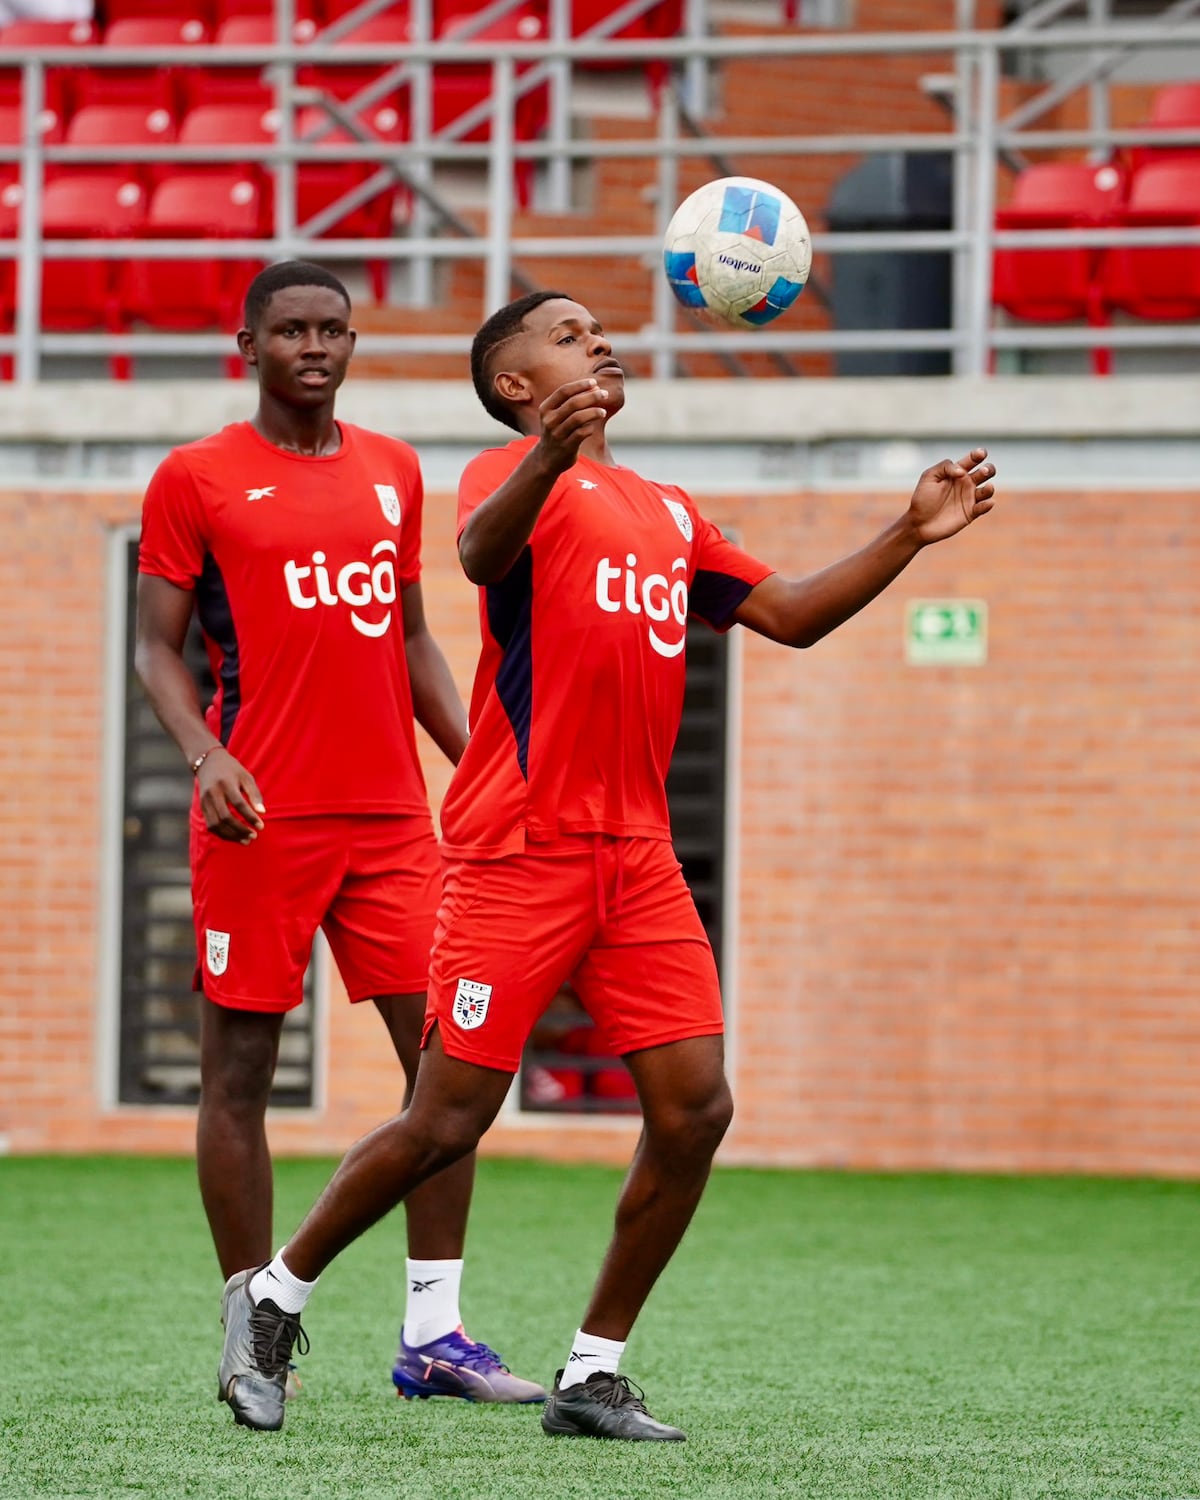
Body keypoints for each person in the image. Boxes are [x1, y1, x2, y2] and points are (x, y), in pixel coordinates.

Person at [215, 289, 998, 1440]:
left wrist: (906, 534)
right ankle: (274, 1300)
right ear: (518, 385)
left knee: (695, 1111)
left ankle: (591, 1372)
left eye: (597, 330)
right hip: (515, 851)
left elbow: (786, 614)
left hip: (637, 860)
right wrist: (551, 453)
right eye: (569, 334)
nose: (600, 340)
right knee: (447, 1120)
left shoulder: (671, 510)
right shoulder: (505, 481)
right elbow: (482, 560)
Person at [135, 262, 546, 1431]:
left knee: (449, 1072)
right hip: (257, 818)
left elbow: (410, 633)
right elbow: (157, 648)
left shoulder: (392, 469)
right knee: (240, 1075)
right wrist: (204, 755)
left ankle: (434, 1335)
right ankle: (250, 1322)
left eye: (332, 330)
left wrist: (482, 757)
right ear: (247, 344)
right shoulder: (196, 478)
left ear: (352, 344)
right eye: (289, 331)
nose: (313, 347)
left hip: (391, 824)